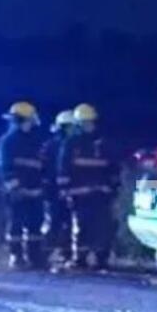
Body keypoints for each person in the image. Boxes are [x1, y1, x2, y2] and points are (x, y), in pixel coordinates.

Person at [58, 103, 120, 270]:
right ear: (78, 124)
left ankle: (101, 259)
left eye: (90, 122)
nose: (88, 126)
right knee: (81, 227)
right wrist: (65, 191)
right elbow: (64, 169)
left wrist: (113, 188)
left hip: (101, 193)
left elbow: (114, 167)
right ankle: (80, 259)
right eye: (85, 123)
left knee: (103, 227)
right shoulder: (71, 144)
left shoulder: (103, 143)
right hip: (79, 194)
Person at [0, 101, 46, 269]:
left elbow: (41, 167)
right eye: (29, 120)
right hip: (16, 190)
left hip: (35, 190)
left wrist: (41, 186)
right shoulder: (8, 142)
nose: (31, 123)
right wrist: (15, 187)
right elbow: (6, 168)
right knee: (16, 223)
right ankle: (16, 256)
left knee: (35, 224)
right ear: (22, 120)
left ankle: (35, 256)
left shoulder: (36, 142)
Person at [42, 110, 77, 265]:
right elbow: (43, 167)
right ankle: (44, 252)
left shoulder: (75, 146)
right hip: (53, 190)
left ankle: (66, 252)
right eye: (69, 127)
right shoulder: (51, 146)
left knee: (69, 222)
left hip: (70, 190)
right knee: (53, 222)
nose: (73, 131)